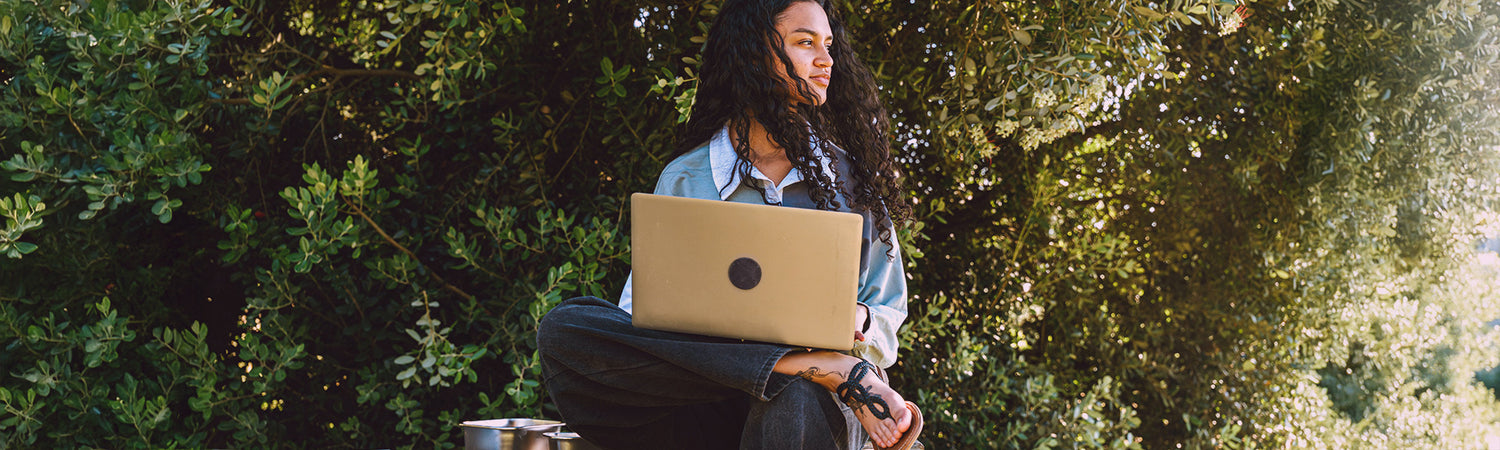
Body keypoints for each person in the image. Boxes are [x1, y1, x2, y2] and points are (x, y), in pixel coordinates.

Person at [536, 0, 920, 448]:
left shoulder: (855, 183)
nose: (826, 59)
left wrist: (857, 318)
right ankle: (820, 366)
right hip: (704, 399)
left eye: (829, 45)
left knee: (793, 392)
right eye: (805, 42)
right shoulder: (687, 177)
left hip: (816, 407)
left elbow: (888, 314)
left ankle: (816, 371)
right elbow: (639, 321)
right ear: (754, 52)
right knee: (564, 328)